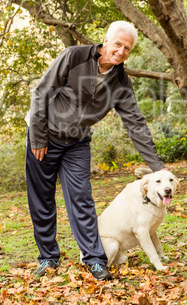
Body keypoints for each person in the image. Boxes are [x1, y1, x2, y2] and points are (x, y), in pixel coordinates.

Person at [25, 21, 168, 281]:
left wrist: (157, 167)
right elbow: (41, 92)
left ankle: (95, 259)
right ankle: (48, 257)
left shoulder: (121, 81)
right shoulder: (74, 57)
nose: (121, 51)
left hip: (77, 143)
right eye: (118, 44)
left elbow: (135, 123)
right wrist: (37, 136)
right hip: (45, 136)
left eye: (127, 48)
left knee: (82, 199)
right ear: (106, 41)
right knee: (42, 200)